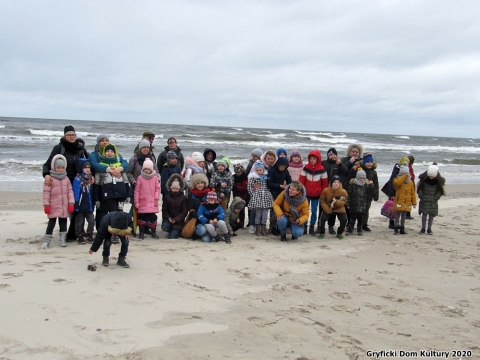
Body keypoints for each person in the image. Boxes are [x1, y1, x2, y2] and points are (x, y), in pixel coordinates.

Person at [42, 125, 89, 241]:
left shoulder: (80, 149)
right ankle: (68, 233)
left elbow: (86, 164)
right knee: (64, 209)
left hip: (78, 183)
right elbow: (47, 164)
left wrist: (89, 176)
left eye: (73, 134)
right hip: (63, 182)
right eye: (69, 135)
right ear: (65, 136)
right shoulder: (59, 148)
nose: (72, 137)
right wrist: (46, 174)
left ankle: (74, 233)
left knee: (76, 207)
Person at [89, 134, 129, 230]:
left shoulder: (117, 154)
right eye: (102, 140)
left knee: (117, 211)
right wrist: (110, 170)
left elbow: (125, 164)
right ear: (98, 143)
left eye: (106, 140)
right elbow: (94, 165)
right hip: (102, 185)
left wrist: (119, 169)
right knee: (101, 211)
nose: (104, 142)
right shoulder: (94, 154)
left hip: (117, 189)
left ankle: (116, 230)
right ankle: (100, 230)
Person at [41, 154, 74, 248]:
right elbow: (46, 193)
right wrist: (46, 205)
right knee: (51, 223)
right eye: (58, 167)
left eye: (62, 167)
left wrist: (71, 203)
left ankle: (63, 239)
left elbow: (70, 191)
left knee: (63, 223)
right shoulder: (50, 179)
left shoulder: (66, 178)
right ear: (54, 168)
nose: (60, 169)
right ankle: (46, 240)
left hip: (64, 206)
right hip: (53, 205)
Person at [93, 144, 131, 213]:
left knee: (120, 212)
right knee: (113, 213)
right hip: (108, 195)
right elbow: (97, 184)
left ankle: (119, 224)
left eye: (112, 151)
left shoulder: (120, 166)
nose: (109, 153)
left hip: (121, 195)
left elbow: (126, 182)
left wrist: (128, 195)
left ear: (115, 153)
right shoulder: (100, 166)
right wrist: (97, 199)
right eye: (107, 151)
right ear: (104, 153)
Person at [299, 149, 328, 235]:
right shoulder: (306, 167)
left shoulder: (322, 169)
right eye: (311, 158)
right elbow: (302, 180)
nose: (312, 160)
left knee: (314, 211)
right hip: (306, 194)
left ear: (318, 159)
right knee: (305, 210)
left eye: (314, 159)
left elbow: (325, 182)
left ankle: (312, 226)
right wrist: (302, 191)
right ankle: (304, 226)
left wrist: (321, 192)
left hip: (316, 194)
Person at [321, 147, 348, 235]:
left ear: (336, 156)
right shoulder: (324, 163)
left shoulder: (339, 163)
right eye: (330, 155)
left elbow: (346, 171)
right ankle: (321, 226)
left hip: (337, 188)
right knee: (325, 207)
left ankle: (331, 226)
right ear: (328, 156)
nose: (332, 156)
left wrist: (340, 164)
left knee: (335, 207)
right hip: (326, 188)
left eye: (334, 155)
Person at [134, 158, 161, 239]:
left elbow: (157, 188)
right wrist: (136, 202)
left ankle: (153, 232)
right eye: (145, 169)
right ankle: (141, 232)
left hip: (153, 201)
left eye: (148, 169)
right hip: (143, 201)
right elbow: (137, 190)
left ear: (151, 169)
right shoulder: (140, 178)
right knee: (142, 218)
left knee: (153, 218)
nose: (146, 171)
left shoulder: (155, 177)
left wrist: (156, 196)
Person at [381, 156, 411, 229]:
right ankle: (391, 223)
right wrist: (392, 194)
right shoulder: (396, 169)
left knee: (399, 209)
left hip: (402, 193)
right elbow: (392, 182)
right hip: (394, 192)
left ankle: (399, 224)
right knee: (392, 207)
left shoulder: (407, 170)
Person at [417, 164, 446, 235]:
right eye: (430, 176)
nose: (431, 177)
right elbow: (419, 188)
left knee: (431, 215)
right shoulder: (424, 179)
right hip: (424, 200)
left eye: (432, 176)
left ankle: (429, 229)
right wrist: (421, 196)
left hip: (433, 201)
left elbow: (440, 191)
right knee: (424, 214)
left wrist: (436, 197)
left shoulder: (438, 181)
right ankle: (423, 228)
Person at [345, 169, 374, 236]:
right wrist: (348, 203)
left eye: (363, 178)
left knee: (360, 219)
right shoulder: (352, 185)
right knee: (352, 219)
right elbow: (348, 195)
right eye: (360, 178)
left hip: (362, 206)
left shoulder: (366, 186)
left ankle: (359, 230)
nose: (361, 179)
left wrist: (371, 185)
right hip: (354, 205)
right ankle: (350, 230)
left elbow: (371, 193)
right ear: (357, 177)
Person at [267, 156, 292, 235]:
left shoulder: (286, 171)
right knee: (274, 211)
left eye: (285, 167)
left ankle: (279, 226)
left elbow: (289, 179)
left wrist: (290, 186)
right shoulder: (272, 171)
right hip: (273, 193)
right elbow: (269, 183)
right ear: (278, 165)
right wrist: (279, 186)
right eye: (282, 167)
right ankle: (272, 227)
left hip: (283, 193)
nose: (283, 168)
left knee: (281, 210)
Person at [318, 175, 348, 239]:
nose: (336, 184)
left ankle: (339, 233)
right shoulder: (325, 190)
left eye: (338, 182)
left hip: (339, 208)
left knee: (344, 220)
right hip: (328, 207)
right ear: (331, 183)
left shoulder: (343, 191)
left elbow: (344, 201)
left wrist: (336, 202)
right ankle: (322, 232)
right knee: (322, 219)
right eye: (334, 182)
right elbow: (322, 201)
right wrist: (327, 209)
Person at [248, 161, 273, 236]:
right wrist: (254, 195)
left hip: (265, 197)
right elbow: (249, 188)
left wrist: (268, 194)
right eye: (257, 170)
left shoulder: (266, 178)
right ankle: (257, 229)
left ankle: (263, 228)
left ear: (263, 170)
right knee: (258, 214)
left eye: (260, 170)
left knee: (265, 214)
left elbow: (269, 186)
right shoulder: (253, 178)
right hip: (257, 198)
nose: (259, 172)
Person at [340, 144, 364, 225]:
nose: (355, 153)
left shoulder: (361, 161)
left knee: (354, 206)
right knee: (346, 205)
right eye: (353, 151)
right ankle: (346, 223)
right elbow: (342, 169)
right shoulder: (344, 160)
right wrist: (350, 162)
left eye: (357, 152)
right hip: (345, 185)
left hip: (356, 187)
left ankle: (353, 223)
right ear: (349, 152)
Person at [72, 159, 95, 244]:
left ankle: (89, 235)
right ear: (81, 168)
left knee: (91, 221)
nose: (87, 169)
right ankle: (79, 235)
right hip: (80, 205)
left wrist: (93, 203)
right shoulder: (77, 179)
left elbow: (91, 193)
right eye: (85, 167)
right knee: (79, 222)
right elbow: (76, 192)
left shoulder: (91, 179)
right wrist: (76, 204)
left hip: (89, 205)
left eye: (89, 167)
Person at [186, 173, 212, 242]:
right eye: (197, 183)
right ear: (194, 184)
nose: (200, 185)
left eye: (202, 183)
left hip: (208, 218)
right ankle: (196, 232)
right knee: (202, 231)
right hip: (196, 219)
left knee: (206, 240)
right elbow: (190, 209)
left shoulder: (209, 193)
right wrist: (200, 216)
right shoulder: (191, 194)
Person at [161, 174, 188, 239]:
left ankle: (177, 231)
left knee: (172, 237)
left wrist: (176, 219)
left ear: (179, 188)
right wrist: (169, 218)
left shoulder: (183, 198)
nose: (175, 189)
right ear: (170, 188)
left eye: (176, 188)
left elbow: (184, 212)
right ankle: (170, 229)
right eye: (173, 188)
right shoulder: (167, 197)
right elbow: (164, 209)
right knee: (165, 226)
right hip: (168, 219)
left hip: (179, 221)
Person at [393, 163, 417, 235]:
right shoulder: (397, 179)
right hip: (399, 202)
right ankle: (396, 228)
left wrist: (414, 203)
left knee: (404, 216)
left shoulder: (411, 182)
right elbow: (396, 184)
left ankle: (402, 228)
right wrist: (403, 177)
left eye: (407, 174)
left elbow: (413, 193)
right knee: (398, 215)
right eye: (405, 174)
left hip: (407, 202)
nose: (407, 175)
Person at [359, 153, 379, 231]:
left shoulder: (374, 172)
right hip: (360, 194)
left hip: (369, 194)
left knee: (366, 210)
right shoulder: (360, 170)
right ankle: (358, 224)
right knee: (359, 210)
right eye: (367, 162)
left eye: (371, 162)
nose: (369, 164)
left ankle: (364, 224)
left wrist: (376, 194)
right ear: (364, 162)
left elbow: (376, 184)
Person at [232, 164, 249, 228]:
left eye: (239, 172)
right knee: (236, 211)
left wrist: (236, 187)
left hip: (243, 197)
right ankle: (237, 223)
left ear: (242, 171)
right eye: (236, 172)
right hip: (236, 196)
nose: (237, 173)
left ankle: (242, 224)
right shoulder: (233, 177)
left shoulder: (245, 177)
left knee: (241, 211)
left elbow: (244, 188)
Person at [406, 155, 416, 220]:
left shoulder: (404, 167)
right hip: (409, 185)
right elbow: (412, 177)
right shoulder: (409, 167)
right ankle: (408, 214)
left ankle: (406, 213)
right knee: (409, 200)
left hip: (405, 186)